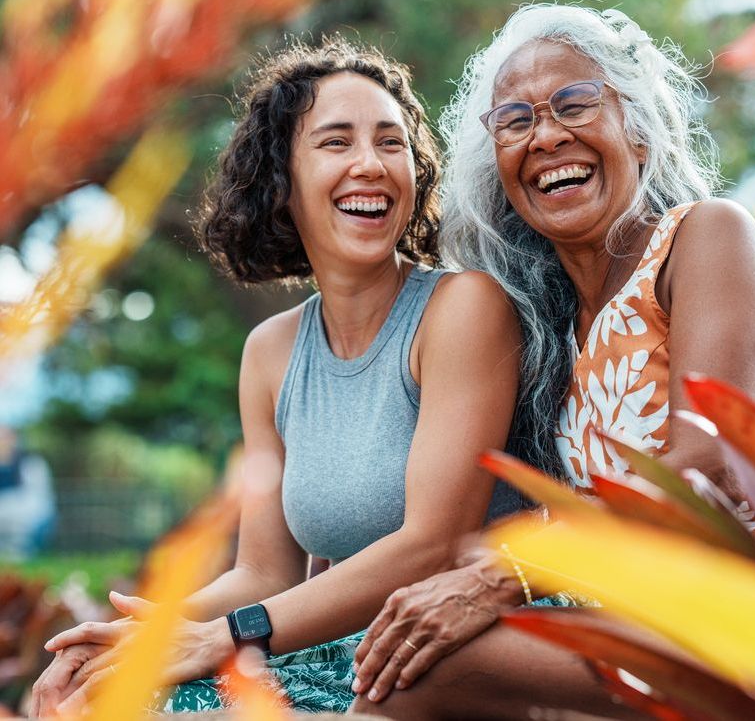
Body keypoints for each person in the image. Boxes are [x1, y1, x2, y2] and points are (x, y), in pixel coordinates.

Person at [350, 3, 755, 720]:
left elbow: (700, 471)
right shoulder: (548, 338)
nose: (546, 135)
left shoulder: (706, 239)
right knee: (399, 655)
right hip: (663, 628)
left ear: (638, 132)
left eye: (574, 103)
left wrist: (496, 581)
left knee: (428, 672)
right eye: (515, 121)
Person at [30, 36, 531, 716]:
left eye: (390, 143)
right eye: (335, 143)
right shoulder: (270, 351)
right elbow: (263, 572)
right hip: (340, 661)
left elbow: (431, 544)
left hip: (449, 664)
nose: (370, 165)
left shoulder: (462, 308)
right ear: (281, 183)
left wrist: (227, 635)